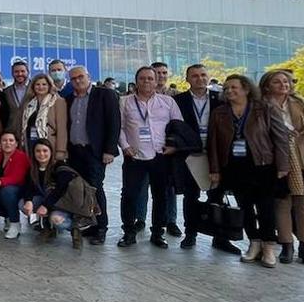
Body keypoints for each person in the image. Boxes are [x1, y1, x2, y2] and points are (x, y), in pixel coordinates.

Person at [208, 75, 290, 268]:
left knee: (265, 207)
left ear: (246, 89)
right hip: (234, 167)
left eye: (234, 87)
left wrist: (283, 165)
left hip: (262, 165)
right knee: (245, 208)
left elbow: (281, 138)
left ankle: (268, 245)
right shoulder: (219, 113)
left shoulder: (264, 109)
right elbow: (212, 143)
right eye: (226, 88)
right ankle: (254, 242)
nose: (229, 91)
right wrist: (215, 169)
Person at [261, 69, 304, 266]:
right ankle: (287, 244)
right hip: (275, 159)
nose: (283, 85)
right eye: (278, 82)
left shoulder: (300, 102)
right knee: (282, 203)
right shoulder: (261, 106)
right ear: (267, 85)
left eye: (286, 82)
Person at [117, 66, 183, 249]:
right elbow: (119, 127)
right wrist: (125, 146)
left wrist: (173, 145)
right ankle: (129, 232)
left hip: (161, 156)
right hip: (134, 156)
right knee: (129, 195)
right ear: (136, 81)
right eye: (143, 78)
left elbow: (178, 126)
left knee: (160, 196)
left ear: (156, 81)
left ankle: (157, 233)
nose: (147, 81)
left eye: (150, 78)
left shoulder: (167, 102)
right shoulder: (124, 102)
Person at [173, 64, 228, 252]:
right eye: (194, 76)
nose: (200, 79)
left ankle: (220, 237)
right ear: (187, 79)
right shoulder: (178, 100)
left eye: (203, 75)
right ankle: (190, 233)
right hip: (191, 155)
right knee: (191, 196)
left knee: (217, 195)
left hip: (216, 155)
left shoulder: (220, 98)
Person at [64, 66, 120, 244]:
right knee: (80, 189)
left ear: (89, 76)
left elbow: (114, 123)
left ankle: (101, 227)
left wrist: (109, 150)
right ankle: (91, 224)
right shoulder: (68, 99)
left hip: (94, 151)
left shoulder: (105, 95)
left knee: (95, 188)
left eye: (81, 77)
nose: (77, 80)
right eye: (73, 78)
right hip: (75, 151)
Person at [22, 139, 91, 246]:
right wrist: (28, 201)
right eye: (38, 151)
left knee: (56, 220)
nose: (41, 154)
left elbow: (59, 190)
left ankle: (75, 227)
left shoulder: (61, 167)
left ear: (51, 152)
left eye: (45, 151)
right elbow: (29, 187)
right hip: (47, 200)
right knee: (22, 204)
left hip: (63, 205)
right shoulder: (33, 168)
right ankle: (48, 229)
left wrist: (45, 206)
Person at [19, 74, 67, 160]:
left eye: (44, 84)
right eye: (37, 84)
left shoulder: (58, 101)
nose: (41, 87)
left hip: (49, 143)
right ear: (33, 86)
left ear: (49, 86)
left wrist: (61, 150)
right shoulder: (28, 103)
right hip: (31, 142)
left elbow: (62, 128)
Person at [0, 60, 31, 138]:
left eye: (22, 71)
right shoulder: (6, 92)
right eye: (16, 71)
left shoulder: (35, 89)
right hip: (12, 133)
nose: (20, 74)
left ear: (28, 72)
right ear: (12, 73)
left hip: (30, 132)